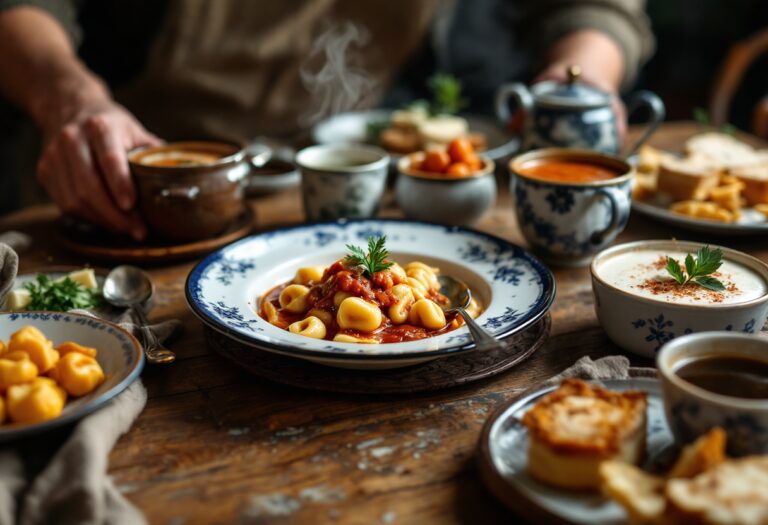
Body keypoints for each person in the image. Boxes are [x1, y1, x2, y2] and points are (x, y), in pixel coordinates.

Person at [0, 0, 653, 239]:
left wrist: (581, 83)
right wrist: (74, 100)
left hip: (351, 186)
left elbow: (594, 10)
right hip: (128, 188)